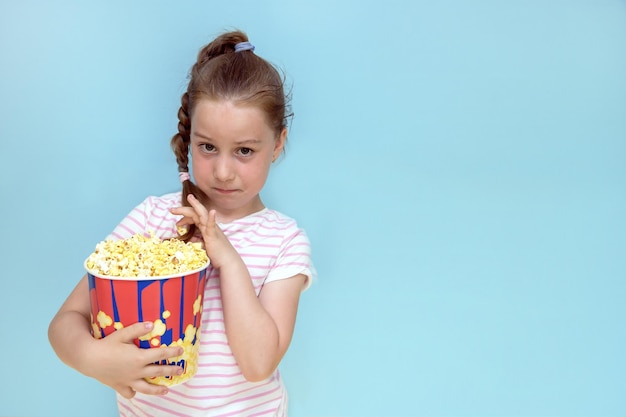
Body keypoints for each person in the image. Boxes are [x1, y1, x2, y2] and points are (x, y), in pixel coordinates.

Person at [48, 30, 314, 417]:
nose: (223, 171)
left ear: (277, 144)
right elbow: (65, 322)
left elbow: (259, 364)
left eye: (244, 150)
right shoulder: (152, 219)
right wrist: (91, 357)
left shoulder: (284, 241)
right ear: (190, 140)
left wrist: (226, 257)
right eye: (208, 147)